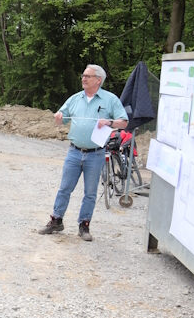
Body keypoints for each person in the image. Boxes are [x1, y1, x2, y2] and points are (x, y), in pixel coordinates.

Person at [39, 64, 128, 241]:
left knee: (90, 192)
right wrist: (58, 117)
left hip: (95, 154)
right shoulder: (75, 99)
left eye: (88, 76)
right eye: (83, 75)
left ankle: (84, 225)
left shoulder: (110, 100)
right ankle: (56, 220)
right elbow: (61, 120)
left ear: (98, 80)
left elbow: (124, 122)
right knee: (65, 188)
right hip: (74, 152)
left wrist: (110, 122)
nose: (83, 78)